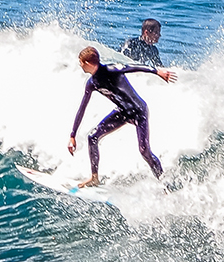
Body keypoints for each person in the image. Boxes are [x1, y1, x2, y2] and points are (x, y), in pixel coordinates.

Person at [66, 46, 176, 188]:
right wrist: (73, 135)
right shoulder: (92, 83)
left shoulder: (112, 70)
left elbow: (134, 67)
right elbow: (82, 108)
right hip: (122, 112)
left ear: (87, 63)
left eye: (80, 62)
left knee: (144, 150)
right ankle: (94, 178)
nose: (80, 65)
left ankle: (165, 185)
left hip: (138, 111)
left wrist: (156, 71)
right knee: (92, 137)